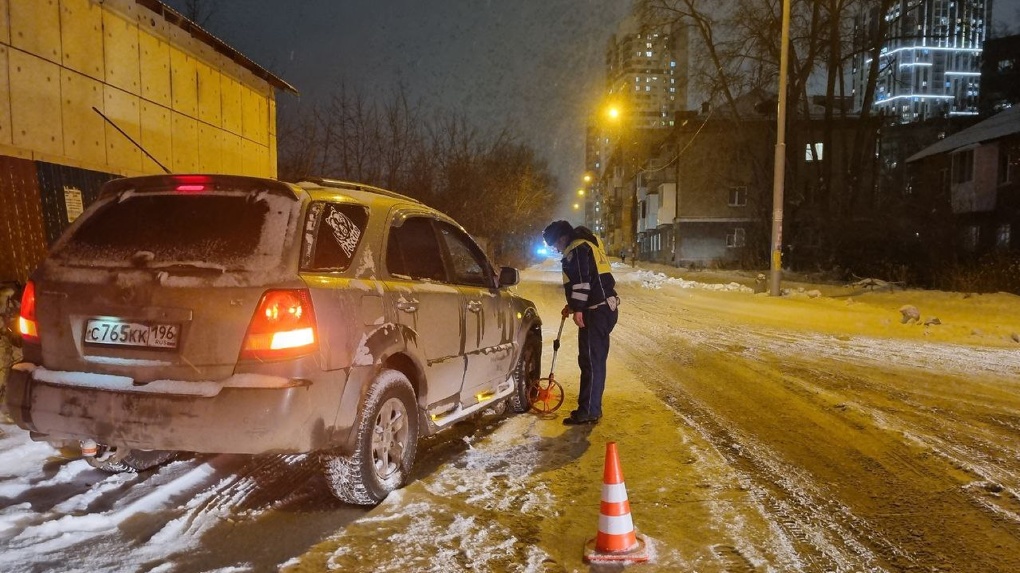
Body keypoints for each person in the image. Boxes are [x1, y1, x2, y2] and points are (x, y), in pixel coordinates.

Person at [542, 220, 620, 425]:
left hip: (596, 312)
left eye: (556, 246)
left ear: (562, 238)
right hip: (604, 308)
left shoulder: (576, 249)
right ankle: (593, 408)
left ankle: (588, 411)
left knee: (590, 363)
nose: (557, 250)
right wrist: (574, 306)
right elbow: (593, 280)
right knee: (594, 362)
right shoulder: (590, 244)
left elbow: (583, 283)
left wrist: (578, 308)